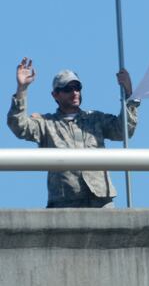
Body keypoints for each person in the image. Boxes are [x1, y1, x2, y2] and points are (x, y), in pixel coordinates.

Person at [7, 57, 139, 208]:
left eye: (77, 87)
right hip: (64, 203)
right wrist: (22, 89)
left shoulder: (95, 118)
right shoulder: (46, 124)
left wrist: (130, 95)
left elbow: (124, 131)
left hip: (101, 201)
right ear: (55, 95)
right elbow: (19, 126)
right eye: (68, 89)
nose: (74, 92)